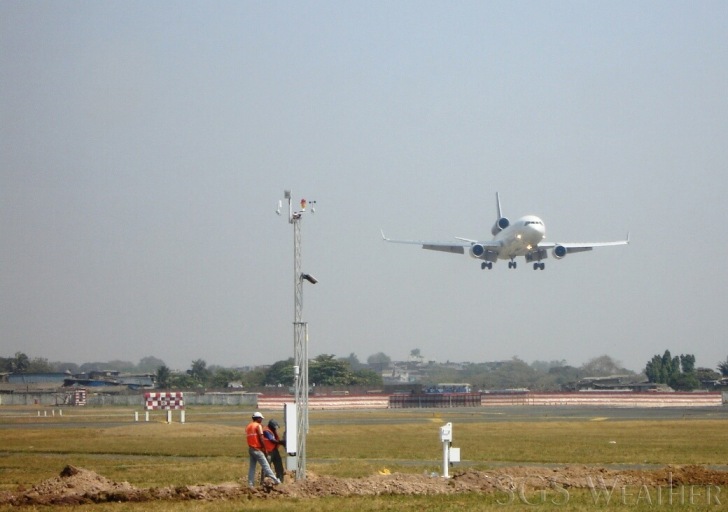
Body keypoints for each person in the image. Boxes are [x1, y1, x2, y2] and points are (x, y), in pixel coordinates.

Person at [245, 412, 280, 487]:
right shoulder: (258, 426)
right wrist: (265, 449)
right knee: (266, 466)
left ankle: (250, 484)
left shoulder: (248, 426)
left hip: (251, 449)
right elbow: (261, 438)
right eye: (261, 418)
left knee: (252, 467)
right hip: (257, 449)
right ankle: (276, 480)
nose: (261, 420)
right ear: (258, 418)